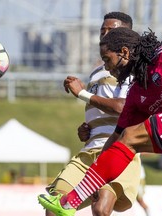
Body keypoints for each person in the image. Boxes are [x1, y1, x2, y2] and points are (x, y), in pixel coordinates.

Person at [38, 27, 162, 216]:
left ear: (125, 52)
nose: (107, 69)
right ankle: (71, 200)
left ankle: (69, 202)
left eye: (107, 60)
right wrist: (95, 173)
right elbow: (116, 140)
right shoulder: (136, 95)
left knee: (132, 136)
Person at [43, 12, 141, 216]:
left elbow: (123, 108)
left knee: (101, 207)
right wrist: (89, 127)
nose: (104, 35)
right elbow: (102, 109)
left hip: (120, 149)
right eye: (102, 31)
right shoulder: (98, 72)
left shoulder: (133, 69)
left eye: (110, 31)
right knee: (54, 207)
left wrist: (82, 94)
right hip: (90, 151)